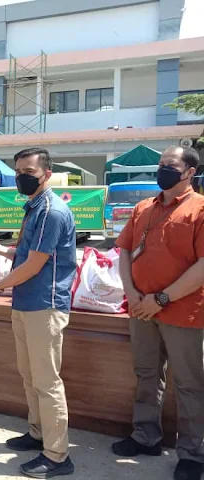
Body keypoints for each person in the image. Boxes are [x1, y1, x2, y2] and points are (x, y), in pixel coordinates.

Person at [0, 147, 76, 478]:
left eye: (29, 172)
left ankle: (58, 455)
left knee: (47, 382)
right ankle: (38, 434)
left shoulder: (51, 210)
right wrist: (1, 249)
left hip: (44, 307)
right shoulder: (34, 207)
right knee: (29, 375)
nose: (21, 177)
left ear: (46, 174)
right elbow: (30, 251)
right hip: (26, 304)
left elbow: (35, 264)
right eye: (18, 171)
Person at [112, 146, 204, 480]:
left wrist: (160, 299)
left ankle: (193, 453)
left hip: (184, 312)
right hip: (140, 309)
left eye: (171, 165)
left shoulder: (200, 209)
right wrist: (132, 293)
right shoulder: (142, 208)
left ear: (190, 172)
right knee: (146, 373)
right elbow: (123, 250)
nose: (163, 169)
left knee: (190, 383)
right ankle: (145, 436)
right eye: (161, 164)